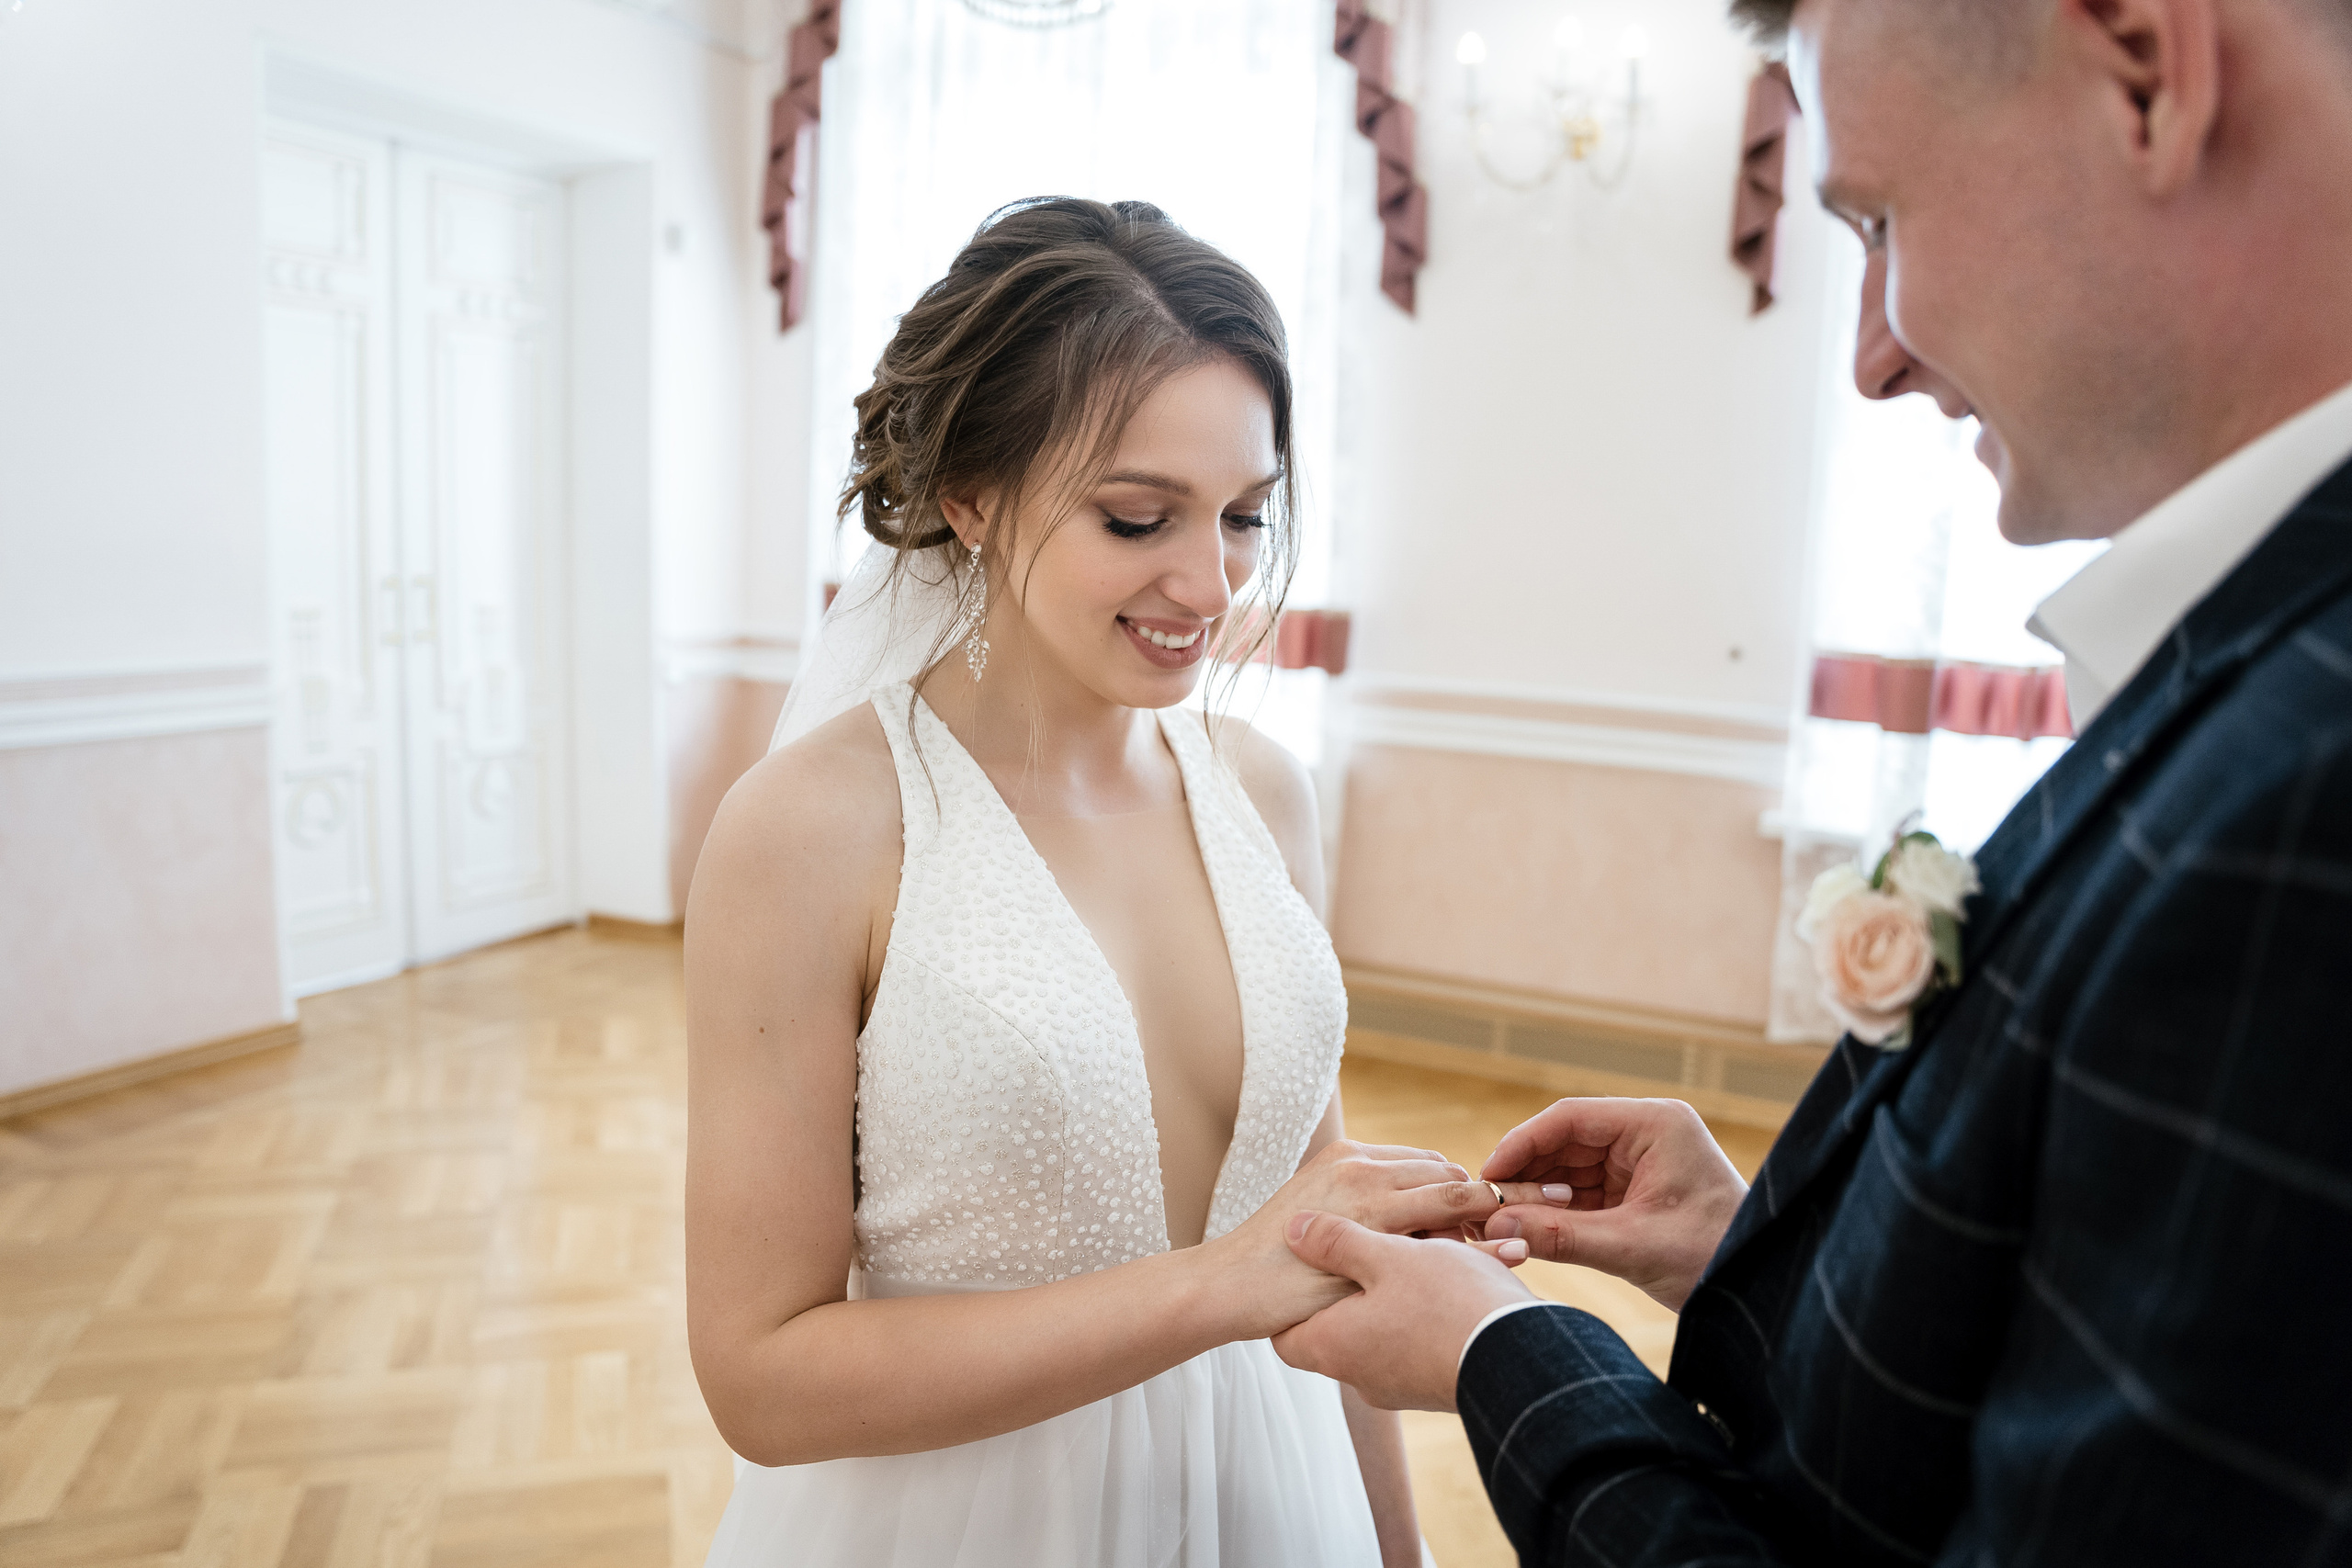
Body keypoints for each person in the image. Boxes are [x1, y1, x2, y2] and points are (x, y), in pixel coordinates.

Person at [1271, 0, 2352, 1562]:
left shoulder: (2304, 802)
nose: (1872, 356)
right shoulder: (2261, 663)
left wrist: (1506, 1358)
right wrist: (1754, 1254)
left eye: (1881, 219)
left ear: (2146, 71)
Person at [683, 197, 1519, 1568]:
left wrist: (1398, 1551)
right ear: (968, 497)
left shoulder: (1266, 792)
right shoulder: (813, 832)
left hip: (1277, 1491)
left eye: (1246, 515)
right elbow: (760, 1378)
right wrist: (1209, 1290)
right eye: (1138, 519)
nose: (1210, 583)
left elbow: (1318, 1226)